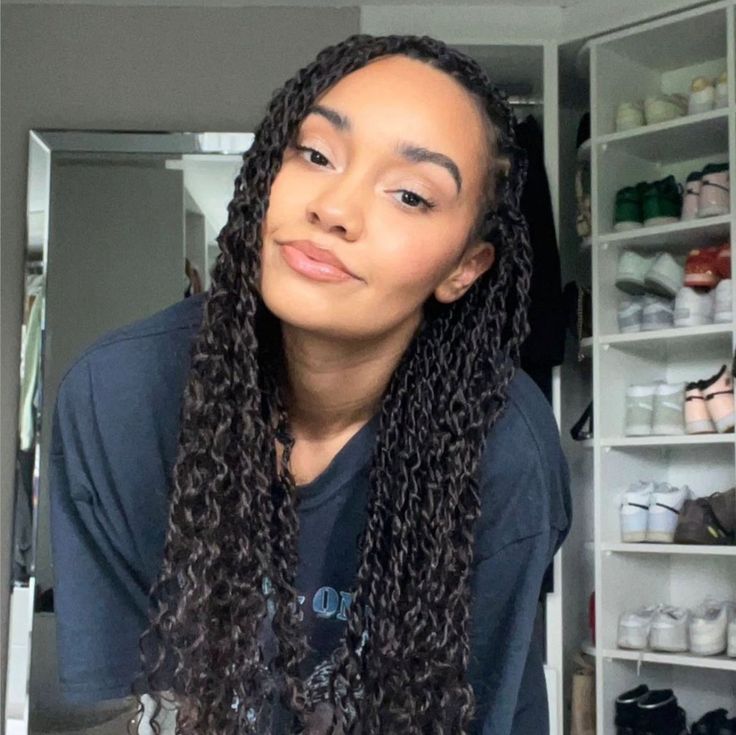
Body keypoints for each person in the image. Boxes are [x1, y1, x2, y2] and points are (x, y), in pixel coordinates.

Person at [49, 33, 571, 735]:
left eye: (411, 194)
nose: (335, 208)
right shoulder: (118, 399)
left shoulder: (505, 447)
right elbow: (120, 711)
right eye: (316, 154)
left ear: (464, 268)